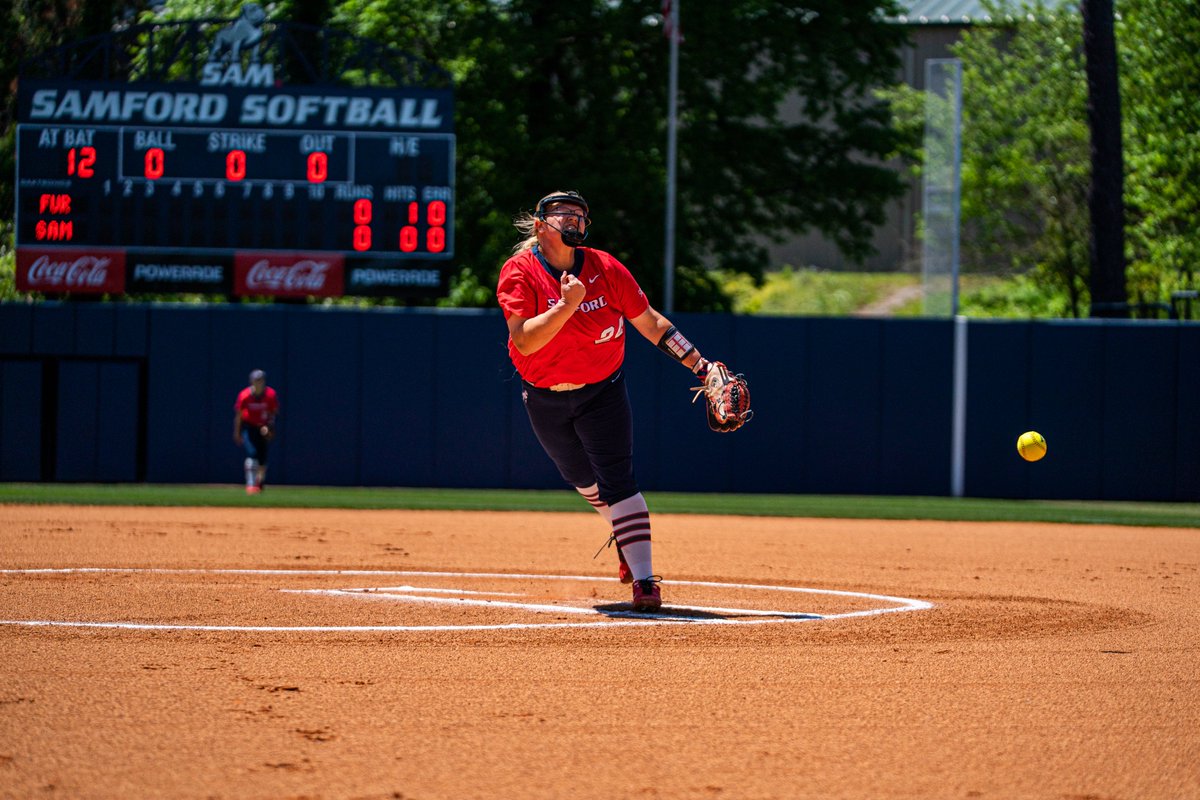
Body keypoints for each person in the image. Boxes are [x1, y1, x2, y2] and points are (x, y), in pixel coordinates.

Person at [496, 190, 727, 612]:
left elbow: (651, 322)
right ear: (539, 224)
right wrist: (568, 306)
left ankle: (644, 581)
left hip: (602, 389)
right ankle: (625, 534)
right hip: (544, 396)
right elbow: (525, 342)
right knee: (583, 481)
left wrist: (700, 365)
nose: (573, 219)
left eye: (580, 213)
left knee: (618, 479)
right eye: (563, 212)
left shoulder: (605, 267)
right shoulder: (520, 271)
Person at [233, 369, 279, 495]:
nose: (259, 382)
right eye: (256, 380)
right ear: (251, 381)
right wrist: (237, 432)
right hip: (249, 427)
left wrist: (270, 428)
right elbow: (239, 415)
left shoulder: (270, 395)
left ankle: (260, 482)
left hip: (263, 428)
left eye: (261, 380)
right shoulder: (245, 395)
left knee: (262, 459)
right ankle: (251, 484)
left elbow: (273, 413)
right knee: (252, 453)